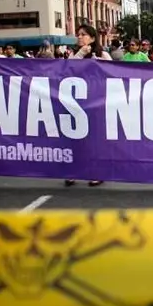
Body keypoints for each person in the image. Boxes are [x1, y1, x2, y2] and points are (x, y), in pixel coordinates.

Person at [66, 24, 110, 188]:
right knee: (76, 139)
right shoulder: (73, 54)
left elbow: (115, 74)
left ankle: (96, 173)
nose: (79, 37)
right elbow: (66, 71)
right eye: (78, 34)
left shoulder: (102, 54)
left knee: (95, 140)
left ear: (92, 38)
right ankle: (74, 171)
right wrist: (80, 54)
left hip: (96, 102)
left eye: (83, 34)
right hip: (77, 103)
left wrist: (101, 63)